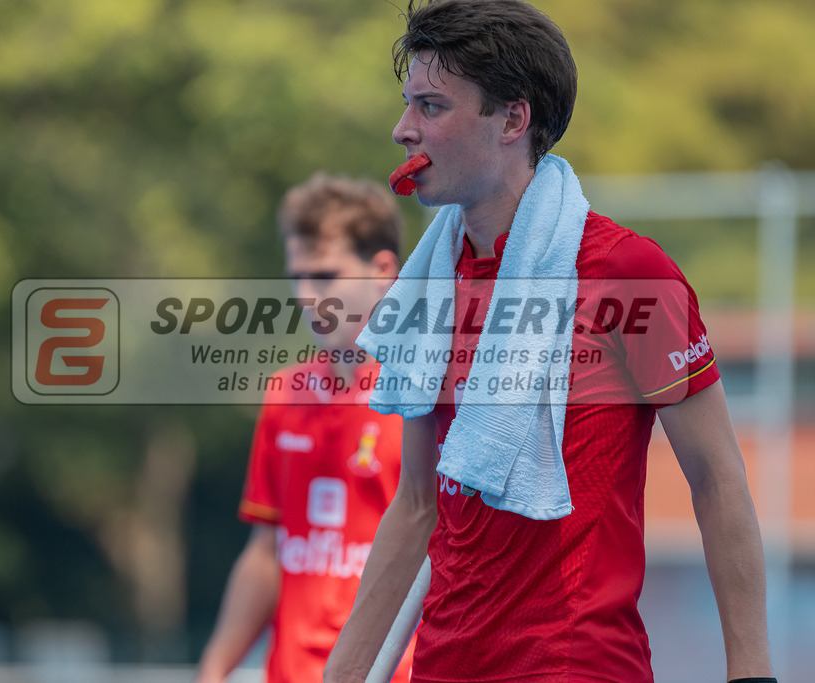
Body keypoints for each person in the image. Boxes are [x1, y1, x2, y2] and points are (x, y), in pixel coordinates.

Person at [325, 2, 775, 682]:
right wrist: (340, 675)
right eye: (407, 103)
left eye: (431, 106)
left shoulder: (629, 272)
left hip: (577, 665)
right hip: (442, 664)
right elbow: (417, 503)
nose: (402, 128)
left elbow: (716, 480)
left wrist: (752, 672)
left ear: (513, 119)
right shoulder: (430, 284)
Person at [196, 174, 415, 683]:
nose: (308, 296)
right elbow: (267, 551)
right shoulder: (284, 392)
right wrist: (212, 671)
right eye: (298, 278)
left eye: (325, 276)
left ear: (383, 271)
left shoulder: (426, 395)